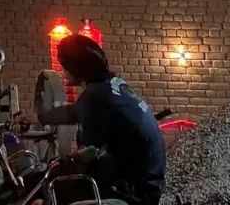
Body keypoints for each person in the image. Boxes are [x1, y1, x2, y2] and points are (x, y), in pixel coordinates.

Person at [37, 35, 166, 205]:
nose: (63, 70)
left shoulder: (93, 96)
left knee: (55, 190)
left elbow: (87, 154)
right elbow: (74, 112)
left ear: (75, 67)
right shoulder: (113, 85)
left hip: (134, 194)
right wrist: (39, 116)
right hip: (150, 185)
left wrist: (64, 162)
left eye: (64, 65)